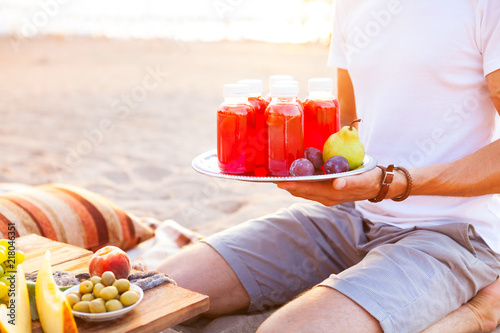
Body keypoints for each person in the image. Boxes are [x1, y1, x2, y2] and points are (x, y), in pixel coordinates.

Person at [159, 0, 500, 332]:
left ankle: (480, 311)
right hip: (354, 216)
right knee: (164, 289)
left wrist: (393, 183)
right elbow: (349, 126)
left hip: (453, 234)